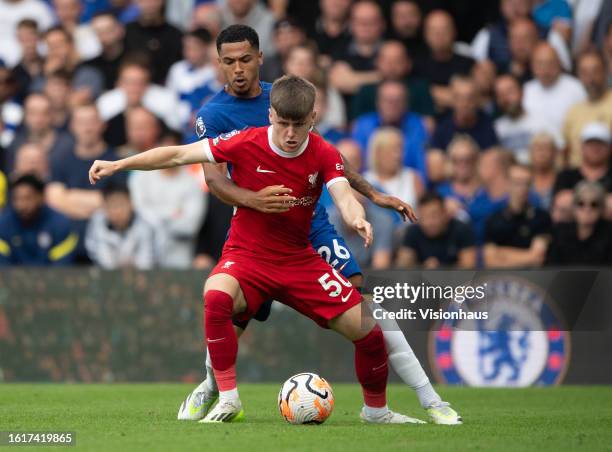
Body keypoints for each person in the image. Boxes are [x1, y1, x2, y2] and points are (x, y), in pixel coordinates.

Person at [89, 75, 430, 425]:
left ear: (313, 118)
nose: (291, 133)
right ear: (270, 115)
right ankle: (227, 397)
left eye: (299, 124)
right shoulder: (243, 141)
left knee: (370, 330)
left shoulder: (323, 151)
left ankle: (377, 411)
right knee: (216, 296)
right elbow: (178, 154)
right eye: (283, 123)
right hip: (248, 257)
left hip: (299, 260)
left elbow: (343, 193)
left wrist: (358, 217)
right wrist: (118, 164)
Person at [179, 25, 458, 425]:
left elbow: (326, 158)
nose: (237, 69)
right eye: (228, 61)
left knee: (364, 305)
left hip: (309, 224)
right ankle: (213, 387)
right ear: (218, 63)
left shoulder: (286, 97)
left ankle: (426, 399)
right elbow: (215, 181)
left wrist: (372, 194)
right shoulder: (213, 114)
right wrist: (255, 200)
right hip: (257, 233)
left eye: (244, 59)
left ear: (260, 57)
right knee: (230, 315)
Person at [483, 163, 551, 268]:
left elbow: (537, 257)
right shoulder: (494, 219)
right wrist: (528, 255)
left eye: (527, 183)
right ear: (507, 184)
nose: (523, 188)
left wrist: (502, 253)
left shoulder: (541, 217)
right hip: (500, 280)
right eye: (518, 183)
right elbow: (490, 261)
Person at [0, 174, 76, 266]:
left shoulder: (61, 225)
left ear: (41, 197)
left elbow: (61, 270)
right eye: (17, 199)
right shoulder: (3, 225)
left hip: (51, 279)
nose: (21, 205)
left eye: (27, 198)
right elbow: (3, 269)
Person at [396, 192, 476, 269]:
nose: (429, 222)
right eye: (424, 217)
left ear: (445, 214)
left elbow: (469, 268)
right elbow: (403, 266)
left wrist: (441, 271)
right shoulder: (413, 232)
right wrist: (422, 269)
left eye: (434, 215)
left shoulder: (461, 230)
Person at [85, 183, 156, 269]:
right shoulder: (97, 223)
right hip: (106, 278)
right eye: (111, 206)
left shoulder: (146, 223)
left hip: (141, 278)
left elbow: (146, 264)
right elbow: (103, 262)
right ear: (104, 206)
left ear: (131, 203)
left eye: (121, 204)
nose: (117, 211)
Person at [563, 50, 612, 168]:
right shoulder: (573, 111)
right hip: (577, 177)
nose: (591, 78)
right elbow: (566, 150)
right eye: (585, 73)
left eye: (596, 71)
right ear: (578, 76)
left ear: (606, 71)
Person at [547, 181, 612, 265]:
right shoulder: (560, 231)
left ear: (601, 208)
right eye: (581, 204)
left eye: (594, 204)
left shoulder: (609, 232)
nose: (587, 209)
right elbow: (552, 266)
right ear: (573, 207)